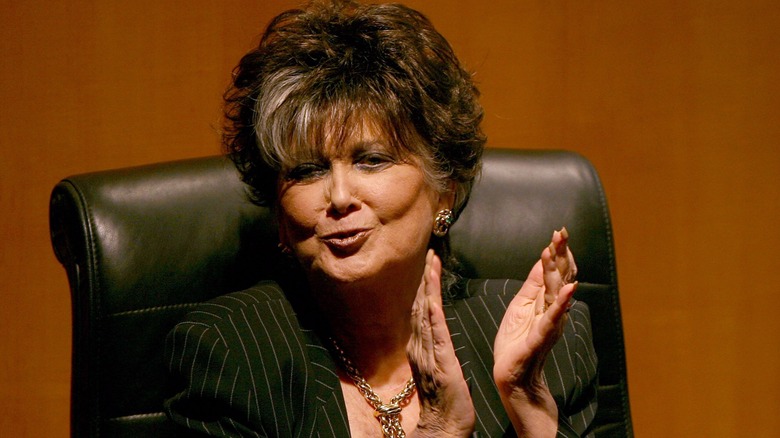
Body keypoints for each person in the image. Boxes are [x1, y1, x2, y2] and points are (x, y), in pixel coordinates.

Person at [164, 1, 597, 436]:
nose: (338, 196)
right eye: (306, 170)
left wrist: (529, 411)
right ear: (278, 211)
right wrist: (439, 430)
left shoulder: (545, 344)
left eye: (371, 160)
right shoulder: (231, 352)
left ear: (445, 189)